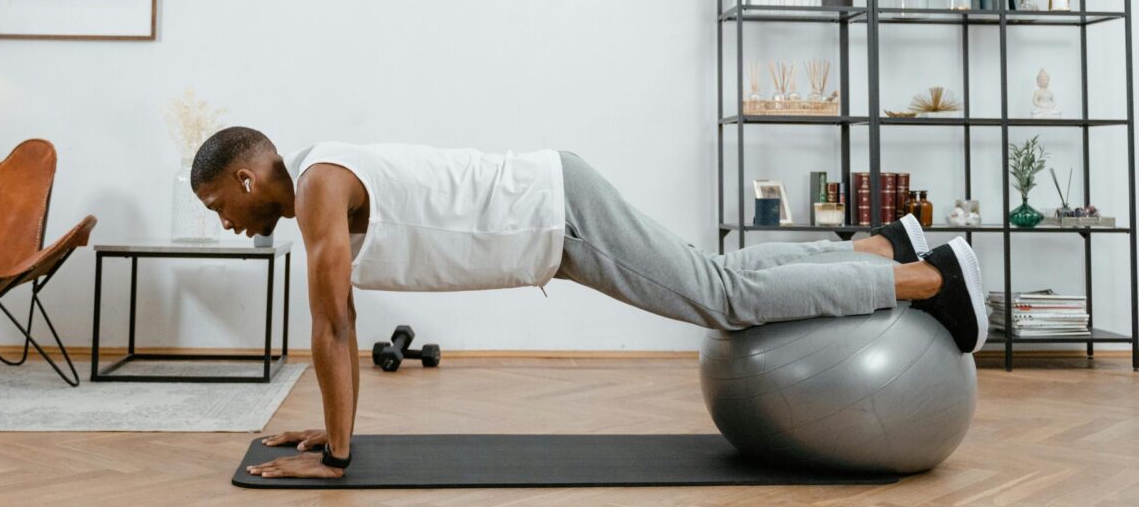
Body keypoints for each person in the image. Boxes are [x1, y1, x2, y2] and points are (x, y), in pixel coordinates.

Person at [191, 128, 987, 480]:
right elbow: (336, 329)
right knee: (717, 275)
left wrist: (335, 455)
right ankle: (885, 248)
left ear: (247, 181)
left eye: (218, 206)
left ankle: (931, 283)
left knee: (723, 298)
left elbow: (334, 325)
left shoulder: (321, 187)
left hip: (555, 214)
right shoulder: (319, 181)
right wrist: (326, 428)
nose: (224, 223)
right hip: (553, 215)